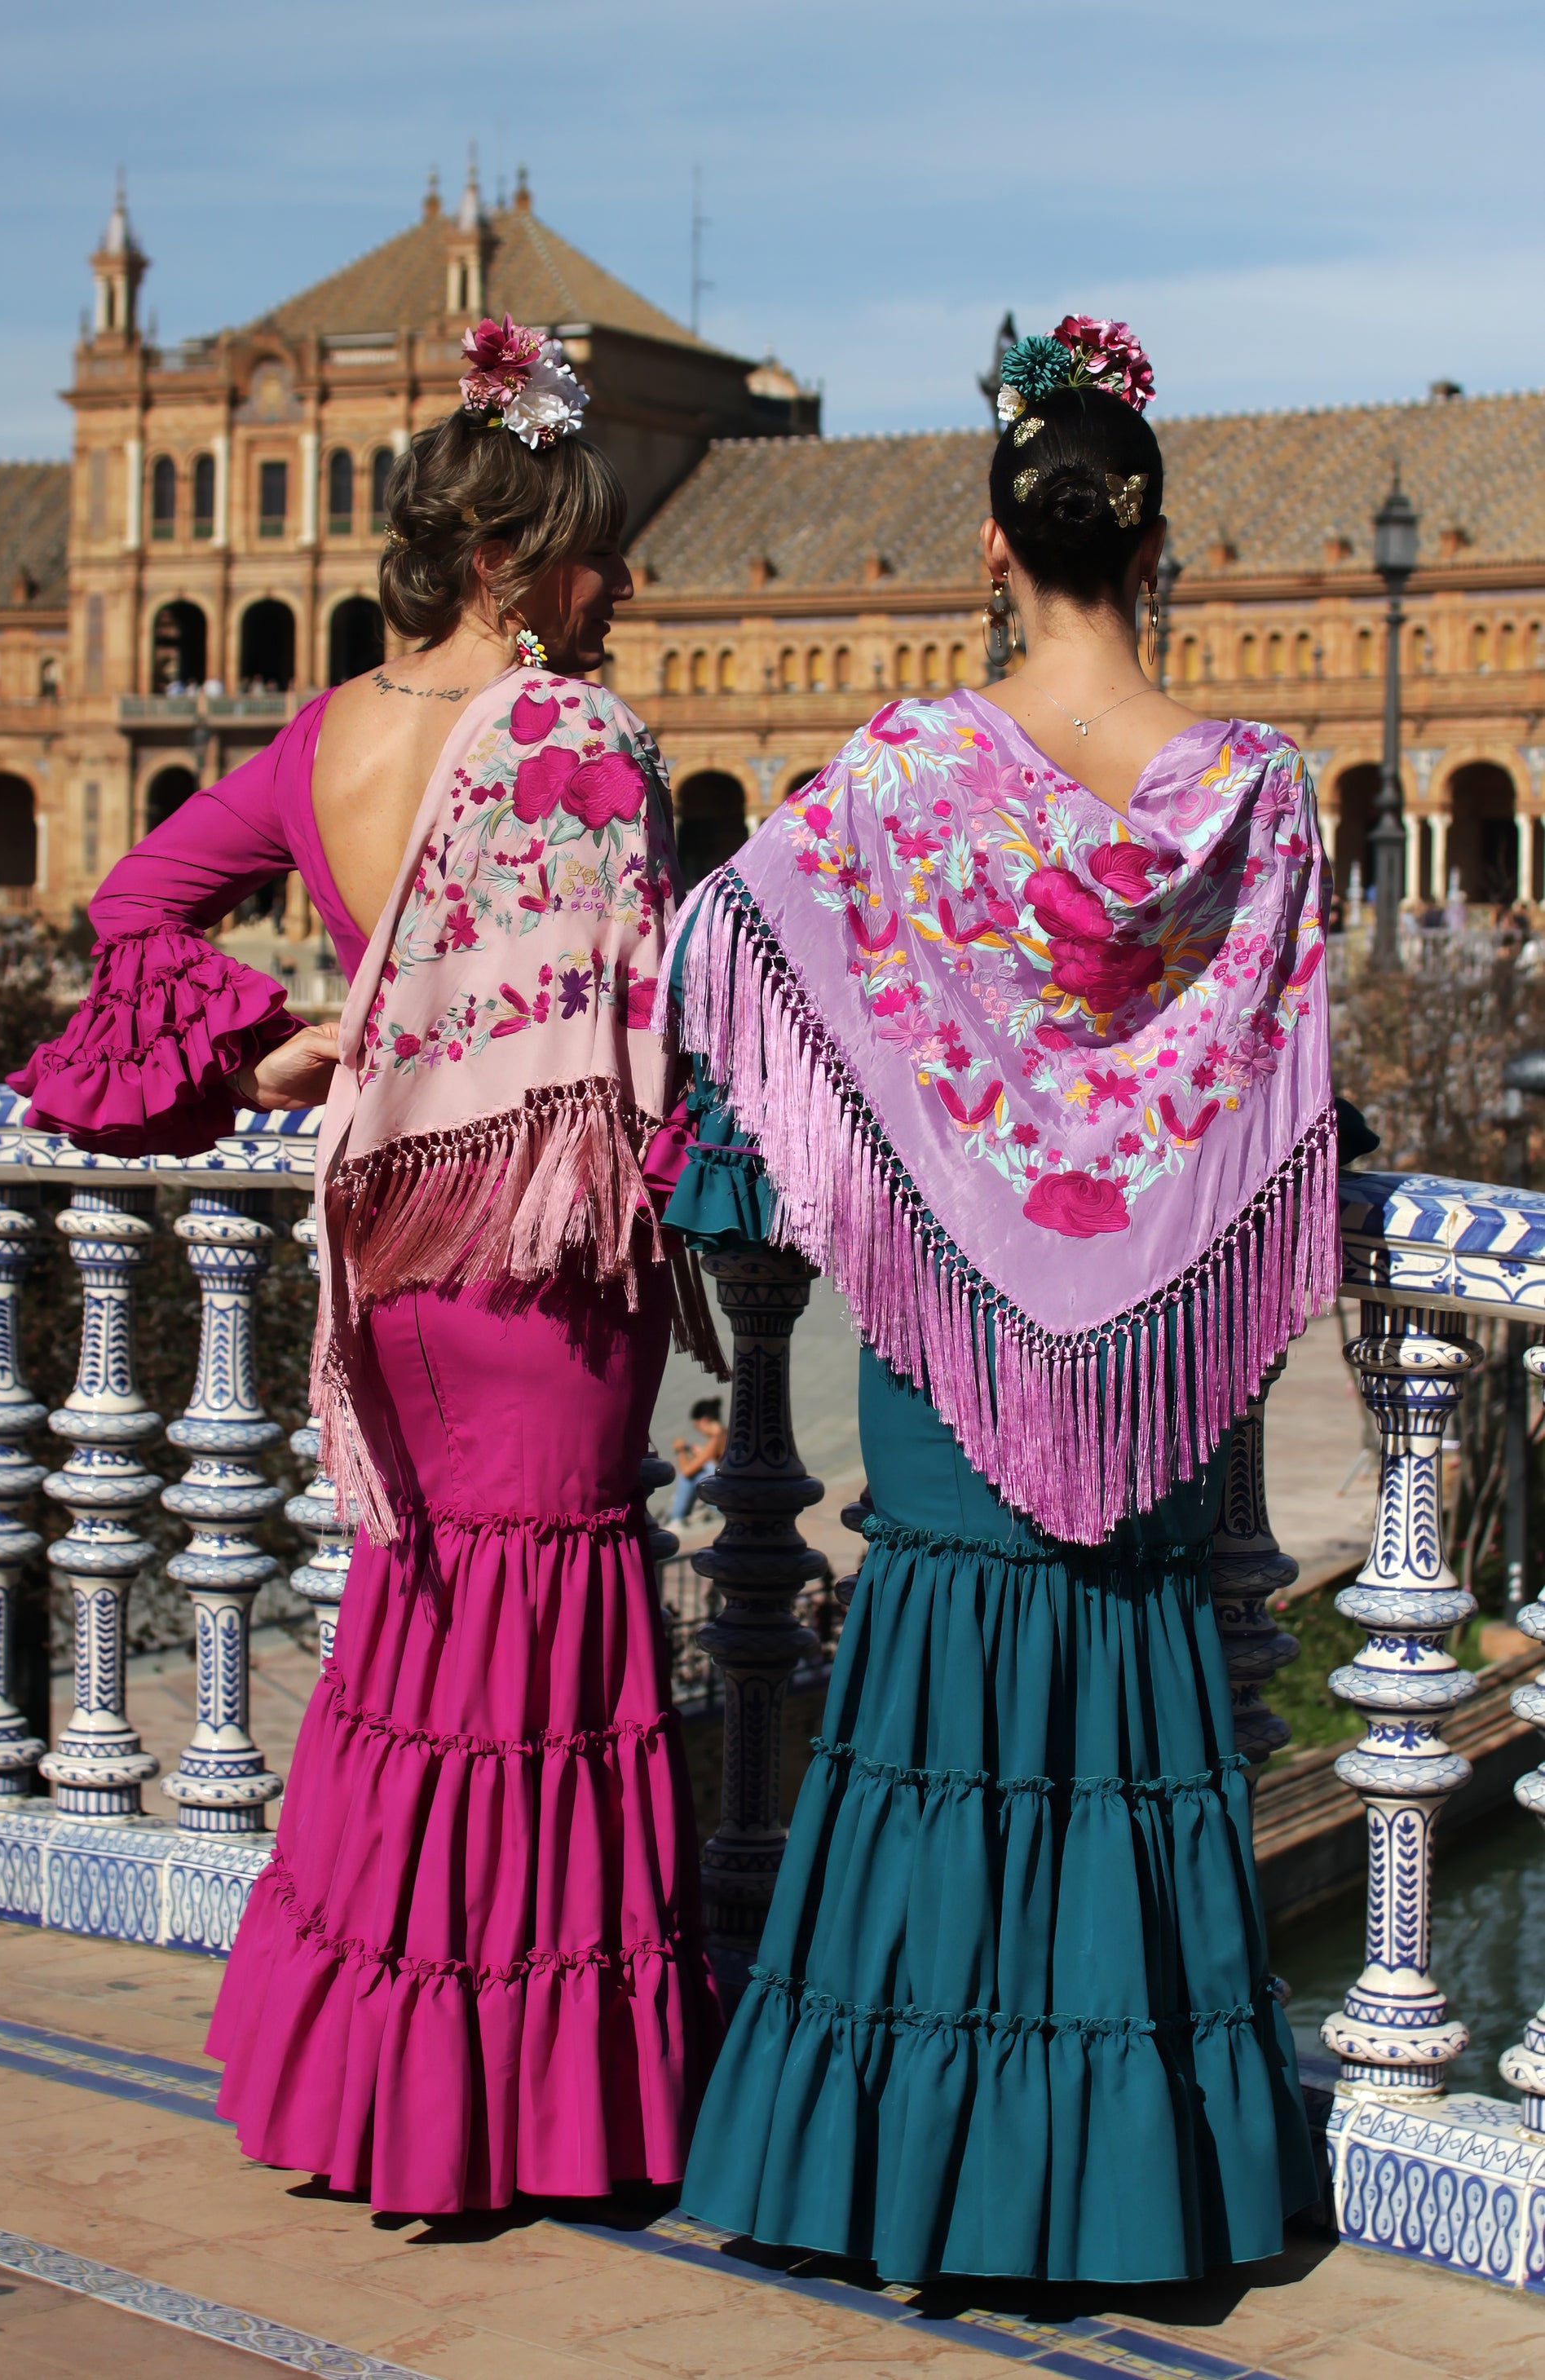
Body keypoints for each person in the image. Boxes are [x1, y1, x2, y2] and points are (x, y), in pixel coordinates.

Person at [11, 314, 724, 2215]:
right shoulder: (581, 738)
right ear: (509, 558)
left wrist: (284, 1043)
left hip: (393, 1253)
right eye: (592, 551)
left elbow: (134, 903)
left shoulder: (324, 734)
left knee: (414, 1653)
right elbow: (640, 1031)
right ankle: (522, 2108)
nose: (617, 584)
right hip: (546, 1270)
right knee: (541, 1659)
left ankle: (375, 2089)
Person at [661, 316, 1329, 2285]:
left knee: (931, 1741)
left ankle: (898, 2181)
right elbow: (1281, 1081)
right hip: (1149, 1360)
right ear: (1157, 547)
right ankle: (1125, 2191)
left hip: (951, 1334)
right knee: (1126, 1748)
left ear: (992, 545)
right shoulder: (1256, 792)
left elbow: (726, 947)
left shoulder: (906, 774)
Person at [669, 1395, 726, 1521]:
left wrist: (680, 1451)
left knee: (694, 1477)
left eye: (696, 1427)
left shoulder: (716, 1441)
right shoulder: (727, 1433)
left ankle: (676, 1518)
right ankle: (676, 1517)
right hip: (739, 1499)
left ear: (704, 1421)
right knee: (703, 1470)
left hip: (730, 1507)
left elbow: (687, 1471)